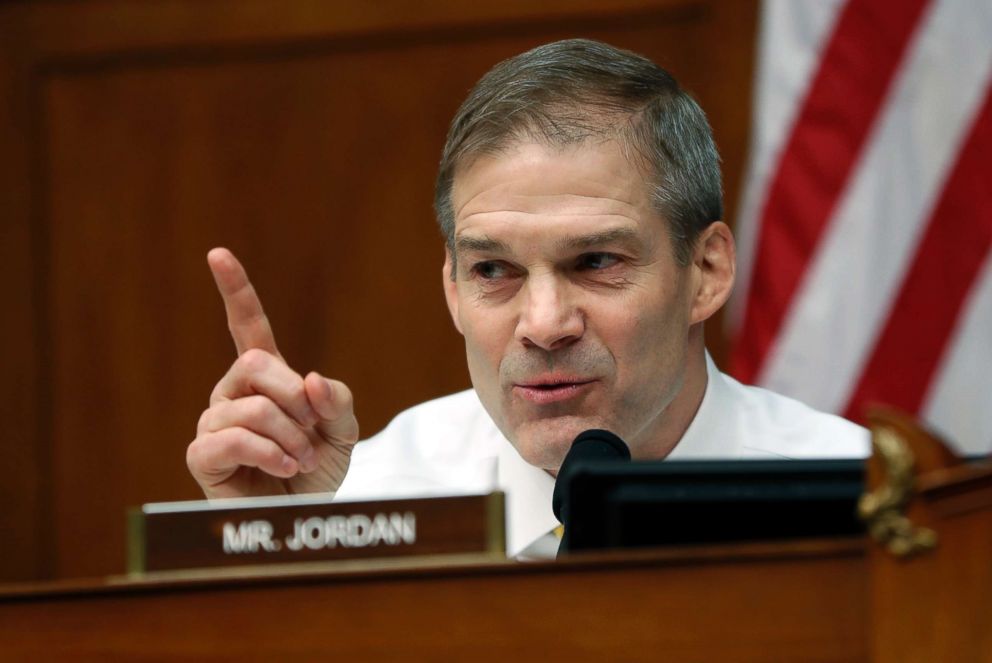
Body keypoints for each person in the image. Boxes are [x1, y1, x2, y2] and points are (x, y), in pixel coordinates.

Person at [186, 39, 868, 559]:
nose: (543, 325)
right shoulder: (357, 504)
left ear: (707, 271)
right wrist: (277, 558)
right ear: (452, 288)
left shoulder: (872, 509)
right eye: (493, 270)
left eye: (596, 261)